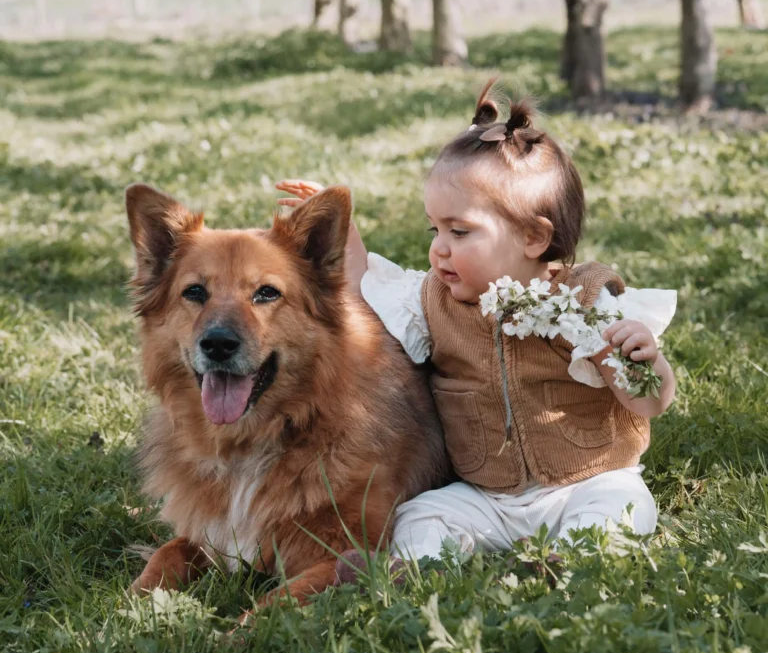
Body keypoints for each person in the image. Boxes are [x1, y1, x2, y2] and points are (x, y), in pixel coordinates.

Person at [275, 82, 677, 563]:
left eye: (459, 231)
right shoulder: (435, 301)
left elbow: (648, 401)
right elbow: (366, 292)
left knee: (622, 509)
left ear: (533, 238)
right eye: (435, 229)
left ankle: (569, 561)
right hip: (490, 496)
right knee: (421, 515)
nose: (439, 248)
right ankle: (416, 569)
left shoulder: (587, 300)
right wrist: (348, 237)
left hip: (587, 481)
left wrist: (642, 359)